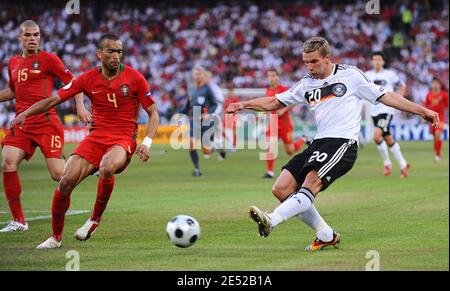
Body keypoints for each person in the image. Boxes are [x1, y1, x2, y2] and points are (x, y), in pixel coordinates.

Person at [226, 37, 439, 251]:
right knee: (281, 188)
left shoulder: (350, 75)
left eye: (314, 62)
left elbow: (386, 97)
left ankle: (272, 220)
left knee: (311, 182)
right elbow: (274, 102)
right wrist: (243, 104)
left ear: (327, 58)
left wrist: (423, 110)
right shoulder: (306, 83)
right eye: (306, 62)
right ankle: (326, 234)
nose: (309, 67)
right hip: (319, 142)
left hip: (343, 143)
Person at [10, 34, 159, 249]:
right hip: (96, 138)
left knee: (107, 166)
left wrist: (147, 143)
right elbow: (53, 100)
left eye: (119, 51)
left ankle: (94, 220)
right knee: (65, 181)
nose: (116, 56)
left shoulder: (135, 78)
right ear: (100, 54)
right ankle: (55, 238)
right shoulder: (87, 78)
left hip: (123, 137)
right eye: (111, 51)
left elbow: (153, 113)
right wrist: (25, 114)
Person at [0, 20, 89, 233]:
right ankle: (19, 221)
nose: (32, 38)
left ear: (40, 37)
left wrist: (80, 107)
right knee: (7, 163)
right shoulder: (13, 62)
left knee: (59, 175)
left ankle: (86, 166)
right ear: (20, 37)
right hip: (21, 122)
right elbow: (13, 92)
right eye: (28, 35)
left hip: (45, 122)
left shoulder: (49, 59)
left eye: (36, 35)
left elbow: (74, 83)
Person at [365, 52, 410, 178]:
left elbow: (402, 84)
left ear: (383, 62)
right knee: (388, 139)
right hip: (374, 111)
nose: (376, 62)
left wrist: (398, 100)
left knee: (376, 136)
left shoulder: (389, 74)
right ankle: (403, 164)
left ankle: (387, 163)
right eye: (374, 59)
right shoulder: (367, 75)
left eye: (379, 59)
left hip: (387, 110)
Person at [262, 69, 306, 179]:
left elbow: (295, 101)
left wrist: (284, 110)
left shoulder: (283, 89)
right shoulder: (268, 90)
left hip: (285, 124)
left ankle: (303, 139)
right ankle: (270, 172)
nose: (271, 78)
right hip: (273, 123)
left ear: (278, 77)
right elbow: (267, 105)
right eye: (269, 76)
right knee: (269, 146)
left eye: (273, 75)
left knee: (290, 151)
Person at [185, 65, 222, 177]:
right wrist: (180, 112)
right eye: (195, 74)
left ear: (203, 75)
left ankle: (215, 148)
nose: (197, 76)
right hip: (194, 118)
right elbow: (188, 104)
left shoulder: (207, 89)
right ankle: (197, 169)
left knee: (206, 150)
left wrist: (208, 113)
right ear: (193, 75)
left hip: (205, 120)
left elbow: (215, 104)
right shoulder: (191, 88)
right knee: (191, 144)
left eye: (199, 74)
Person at [422, 78, 449, 162]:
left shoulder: (444, 95)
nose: (435, 85)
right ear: (431, 85)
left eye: (437, 83)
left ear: (440, 85)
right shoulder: (429, 95)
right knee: (435, 138)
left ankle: (437, 156)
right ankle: (437, 154)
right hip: (431, 119)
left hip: (441, 118)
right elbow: (425, 105)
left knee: (437, 134)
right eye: (433, 83)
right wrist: (422, 116)